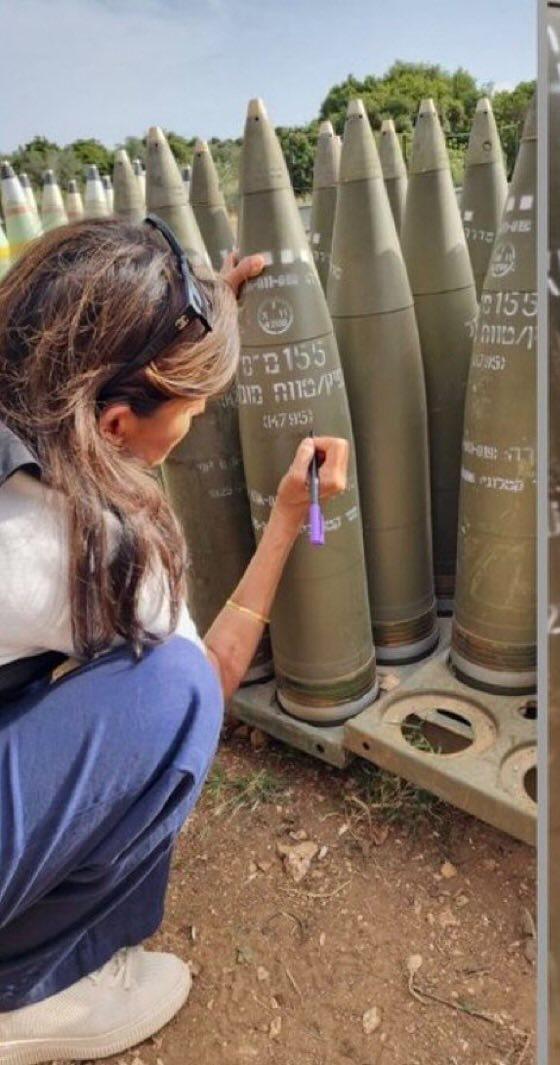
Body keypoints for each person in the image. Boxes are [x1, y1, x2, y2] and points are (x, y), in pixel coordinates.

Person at [0, 217, 349, 1064]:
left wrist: (195, 320)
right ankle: (25, 993)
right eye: (192, 409)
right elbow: (212, 676)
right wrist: (290, 523)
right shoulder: (82, 550)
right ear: (116, 424)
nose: (194, 424)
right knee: (172, 691)